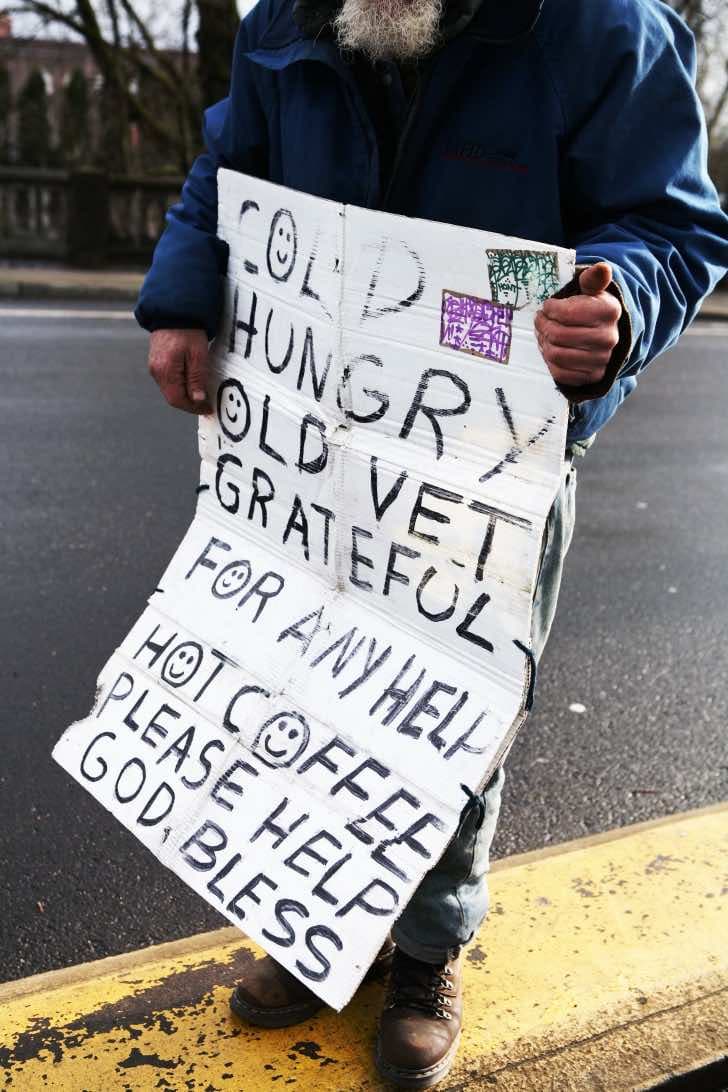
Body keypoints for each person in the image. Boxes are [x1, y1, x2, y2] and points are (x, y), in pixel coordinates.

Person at [136, 0, 728, 1085]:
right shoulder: (285, 19)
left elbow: (666, 224)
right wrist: (180, 299)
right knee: (305, 681)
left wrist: (611, 304)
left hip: (484, 442)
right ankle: (319, 914)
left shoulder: (603, 28)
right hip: (311, 438)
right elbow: (228, 166)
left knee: (449, 700)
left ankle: (424, 949)